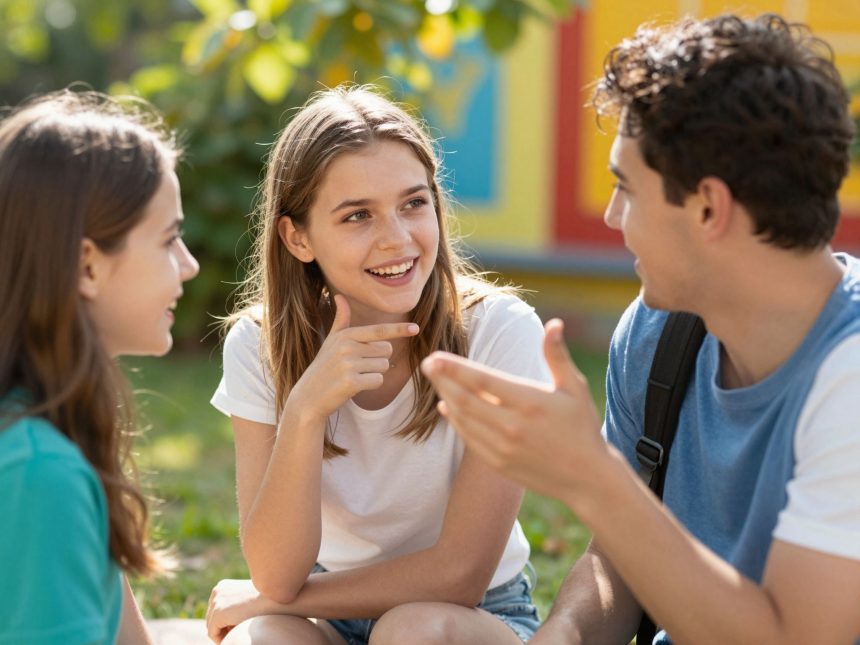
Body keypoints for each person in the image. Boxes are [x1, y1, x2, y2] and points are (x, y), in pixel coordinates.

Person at [422, 13, 860, 645]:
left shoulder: (848, 376)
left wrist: (591, 475)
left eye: (626, 188)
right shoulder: (660, 335)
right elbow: (619, 561)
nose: (610, 214)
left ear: (708, 207)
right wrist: (565, 635)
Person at [205, 85, 550, 645]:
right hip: (331, 613)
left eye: (413, 203)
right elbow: (276, 574)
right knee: (259, 638)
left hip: (470, 614)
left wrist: (268, 599)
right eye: (358, 215)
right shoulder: (258, 343)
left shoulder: (498, 331)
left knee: (410, 631)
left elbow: (460, 575)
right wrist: (305, 409)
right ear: (297, 238)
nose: (397, 239)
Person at [0, 90, 199, 644]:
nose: (189, 265)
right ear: (87, 265)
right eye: (169, 239)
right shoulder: (39, 473)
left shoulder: (53, 430)